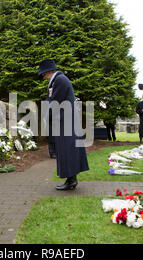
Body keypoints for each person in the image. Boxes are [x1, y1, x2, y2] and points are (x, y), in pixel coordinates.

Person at [38, 58, 89, 191]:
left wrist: (45, 116)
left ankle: (71, 181)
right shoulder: (58, 80)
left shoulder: (59, 80)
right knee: (67, 151)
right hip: (65, 122)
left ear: (50, 71)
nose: (44, 77)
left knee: (67, 151)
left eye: (44, 74)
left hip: (66, 123)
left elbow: (54, 103)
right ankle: (71, 180)